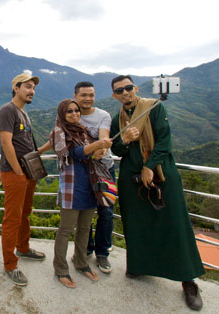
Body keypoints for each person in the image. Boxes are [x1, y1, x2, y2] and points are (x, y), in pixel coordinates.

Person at [110, 75, 205, 311]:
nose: (125, 93)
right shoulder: (117, 118)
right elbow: (116, 148)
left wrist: (149, 166)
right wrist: (125, 139)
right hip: (131, 179)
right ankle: (140, 265)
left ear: (136, 88)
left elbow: (164, 140)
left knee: (175, 225)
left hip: (160, 173)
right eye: (119, 90)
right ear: (114, 95)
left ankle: (188, 280)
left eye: (128, 88)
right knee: (137, 224)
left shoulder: (154, 108)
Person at [39, 99, 112, 288]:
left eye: (76, 111)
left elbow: (88, 155)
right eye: (69, 111)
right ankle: (60, 268)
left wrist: (98, 151)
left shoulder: (83, 131)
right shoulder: (59, 133)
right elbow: (74, 153)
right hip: (71, 187)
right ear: (62, 114)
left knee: (85, 229)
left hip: (89, 186)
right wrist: (95, 147)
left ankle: (81, 262)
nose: (74, 114)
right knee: (65, 230)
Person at [0, 73, 46, 287]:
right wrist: (17, 172)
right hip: (15, 173)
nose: (31, 90)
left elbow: (27, 145)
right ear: (16, 88)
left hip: (28, 171)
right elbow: (6, 144)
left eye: (33, 87)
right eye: (27, 86)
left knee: (25, 213)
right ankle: (10, 264)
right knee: (12, 218)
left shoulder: (23, 113)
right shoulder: (7, 110)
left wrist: (47, 146)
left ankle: (23, 248)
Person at [73, 81, 115, 273]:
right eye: (84, 95)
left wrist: (102, 148)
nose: (88, 98)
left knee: (105, 211)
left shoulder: (103, 115)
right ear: (76, 96)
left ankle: (102, 254)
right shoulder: (71, 115)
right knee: (85, 211)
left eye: (91, 94)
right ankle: (86, 248)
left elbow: (104, 136)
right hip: (83, 172)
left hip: (105, 169)